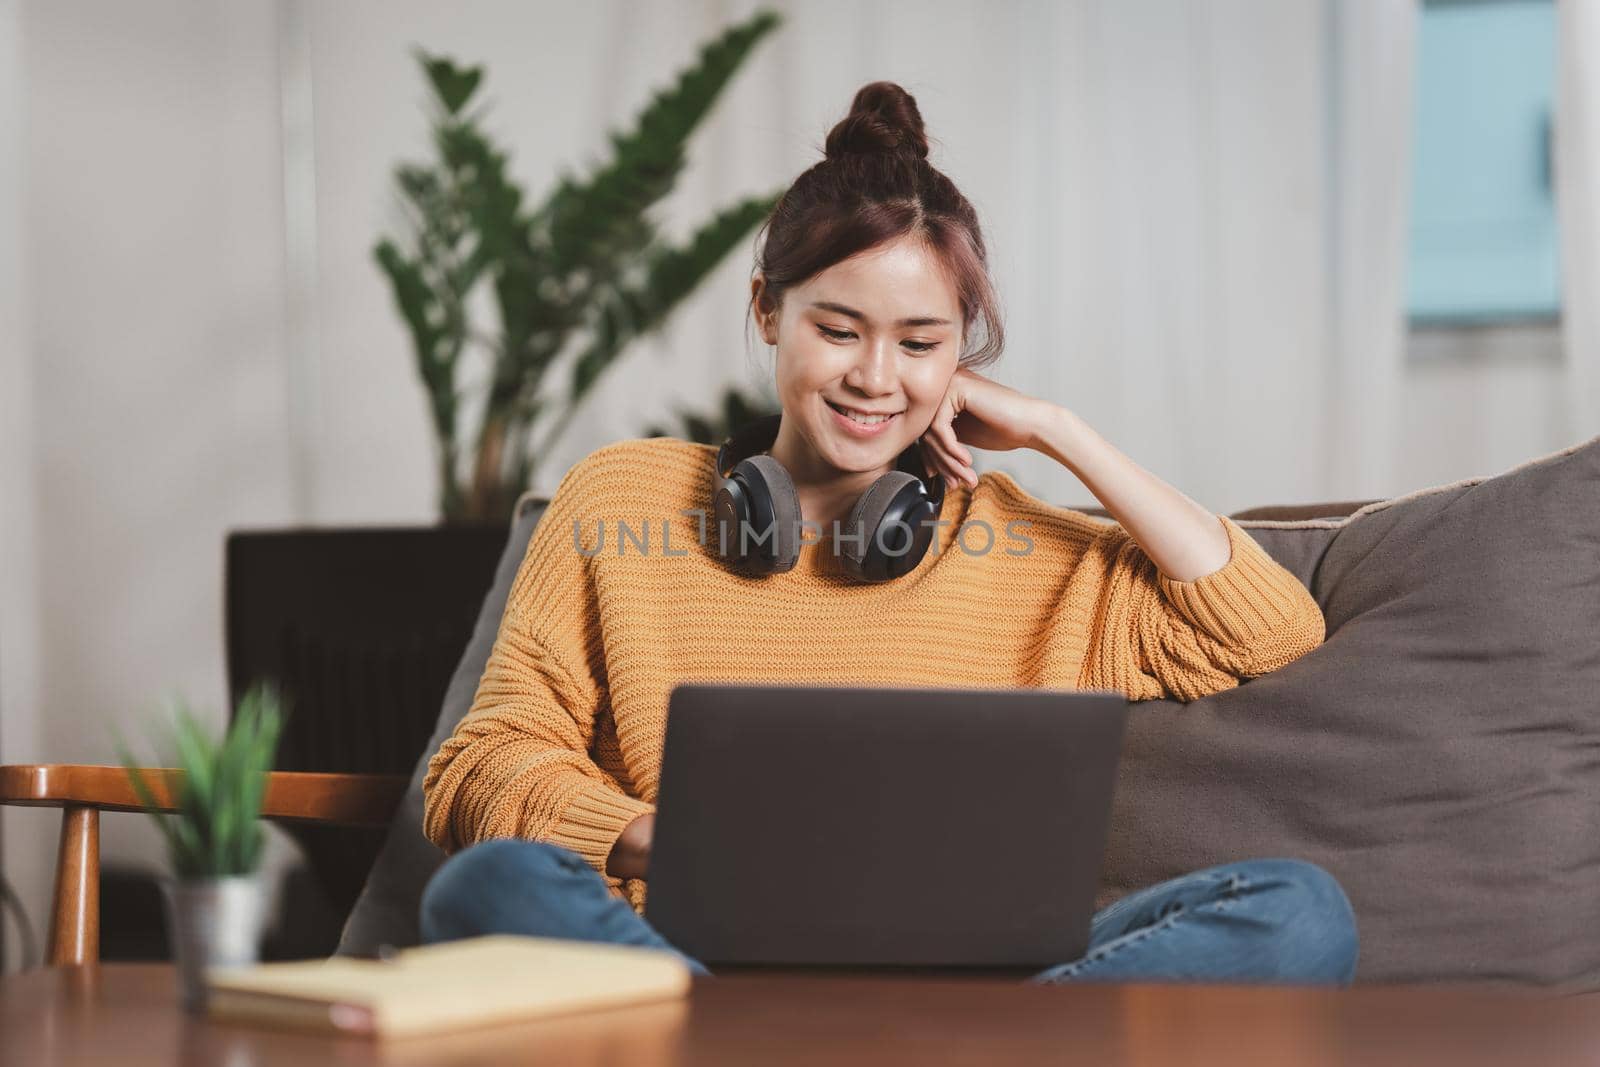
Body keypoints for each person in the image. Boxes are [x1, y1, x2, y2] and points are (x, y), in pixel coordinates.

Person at [417, 81, 1358, 986]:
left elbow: (1270, 629)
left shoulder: (1030, 551)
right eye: (838, 329)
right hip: (684, 960)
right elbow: (480, 768)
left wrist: (1057, 432)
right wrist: (679, 843)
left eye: (918, 343)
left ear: (961, 351)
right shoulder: (623, 501)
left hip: (971, 982)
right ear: (767, 309)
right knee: (485, 885)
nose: (876, 378)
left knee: (1298, 910)